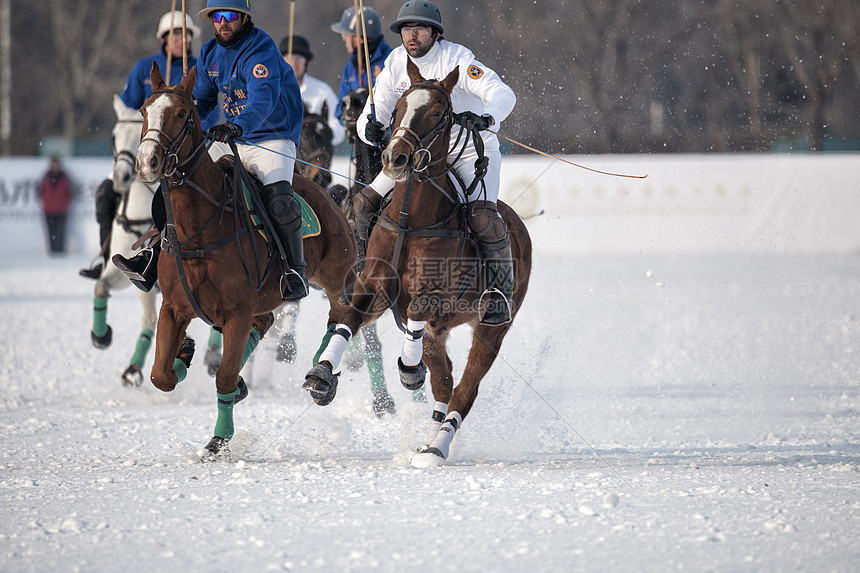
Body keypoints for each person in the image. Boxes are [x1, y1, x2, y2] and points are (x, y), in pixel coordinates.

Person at [115, 0, 308, 302]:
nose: (223, 23)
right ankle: (152, 258)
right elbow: (201, 102)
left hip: (272, 137)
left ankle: (294, 270)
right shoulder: (209, 54)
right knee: (178, 183)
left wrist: (235, 126)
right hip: (231, 136)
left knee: (280, 202)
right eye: (217, 17)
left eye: (230, 16)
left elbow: (263, 101)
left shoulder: (262, 51)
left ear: (244, 18)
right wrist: (184, 122)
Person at [355, 0, 517, 326]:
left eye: (419, 29)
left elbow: (503, 93)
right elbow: (374, 109)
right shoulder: (396, 62)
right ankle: (363, 273)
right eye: (405, 30)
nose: (411, 36)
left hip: (470, 150)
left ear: (435, 33)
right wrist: (368, 128)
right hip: (420, 157)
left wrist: (487, 117)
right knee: (363, 203)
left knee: (483, 216)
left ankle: (501, 289)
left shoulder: (458, 59)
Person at [80, 10, 205, 279]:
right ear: (164, 38)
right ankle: (104, 259)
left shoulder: (199, 68)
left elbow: (210, 107)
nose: (181, 39)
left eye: (186, 34)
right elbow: (128, 109)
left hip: (187, 146)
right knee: (105, 193)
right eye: (176, 34)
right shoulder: (144, 68)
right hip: (150, 145)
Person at [281, 34, 345, 151]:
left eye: (298, 58)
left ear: (306, 62)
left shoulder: (322, 91)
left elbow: (339, 126)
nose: (294, 63)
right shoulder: (272, 90)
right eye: (289, 58)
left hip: (314, 159)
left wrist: (328, 133)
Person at [331, 6, 392, 123]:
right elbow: (339, 111)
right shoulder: (350, 67)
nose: (343, 40)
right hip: (358, 138)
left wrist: (368, 100)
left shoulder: (391, 60)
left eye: (345, 35)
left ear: (360, 38)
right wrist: (349, 114)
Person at [40, 155, 73, 255]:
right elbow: (40, 191)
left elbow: (70, 192)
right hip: (49, 210)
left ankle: (60, 252)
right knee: (51, 233)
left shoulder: (64, 177)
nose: (55, 166)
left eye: (57, 164)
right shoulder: (46, 177)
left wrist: (66, 202)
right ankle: (52, 252)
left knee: (60, 233)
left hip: (61, 210)